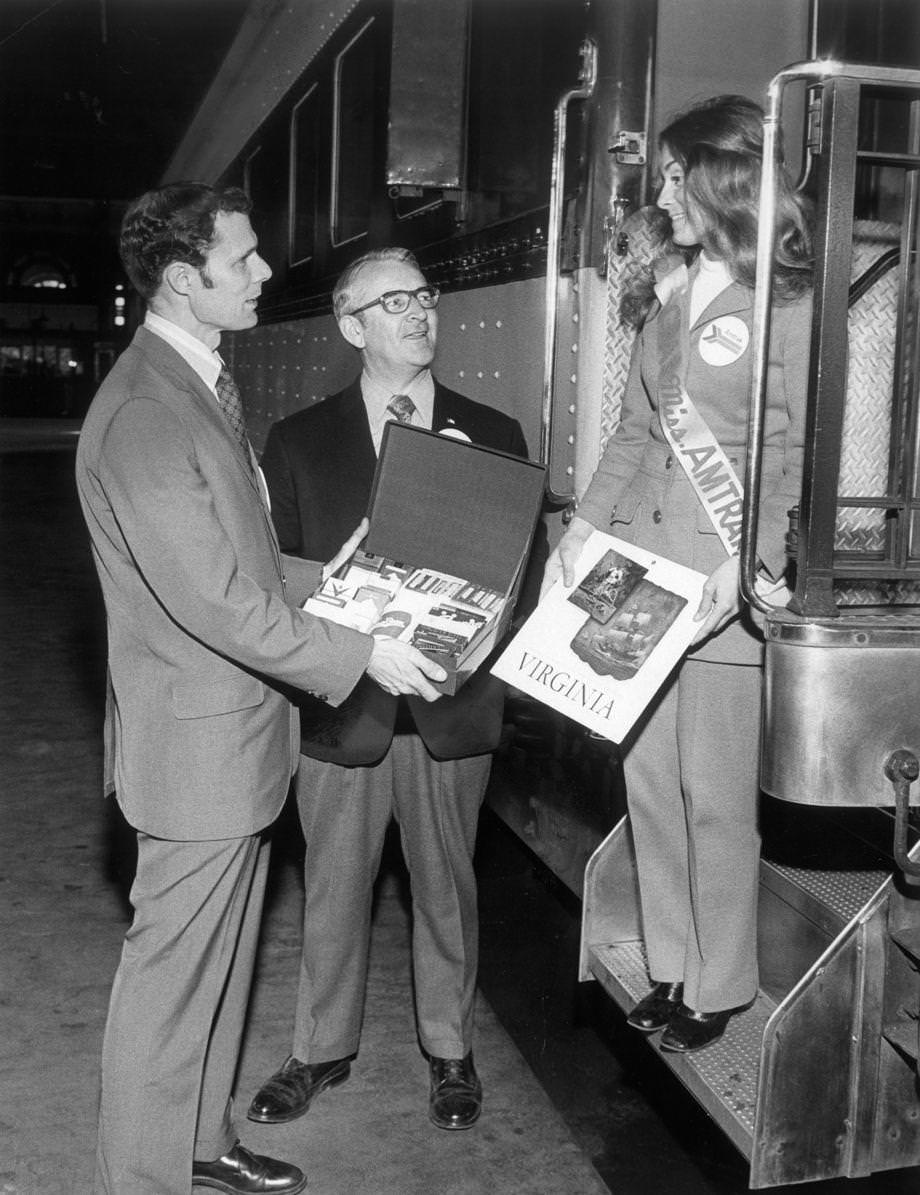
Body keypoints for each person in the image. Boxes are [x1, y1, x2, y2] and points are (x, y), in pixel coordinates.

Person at [75, 186, 445, 1195]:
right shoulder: (148, 414)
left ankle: (198, 1148)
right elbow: (217, 602)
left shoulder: (197, 382)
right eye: (240, 261)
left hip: (235, 746)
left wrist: (343, 586)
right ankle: (142, 1179)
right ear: (181, 278)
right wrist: (355, 652)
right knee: (167, 989)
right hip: (195, 752)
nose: (264, 274)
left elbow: (243, 557)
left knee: (222, 972)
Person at [543, 96, 812, 1053]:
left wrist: (746, 573)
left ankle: (722, 981)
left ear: (720, 178)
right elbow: (632, 433)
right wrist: (581, 531)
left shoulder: (789, 307)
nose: (659, 191)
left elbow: (789, 462)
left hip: (722, 593)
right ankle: (669, 964)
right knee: (649, 786)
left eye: (670, 173)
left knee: (714, 797)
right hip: (638, 576)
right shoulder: (667, 299)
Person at [249, 247, 540, 1132]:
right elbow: (279, 574)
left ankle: (450, 1052)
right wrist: (349, 638)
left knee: (447, 880)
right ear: (351, 325)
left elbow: (520, 573)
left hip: (450, 703)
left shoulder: (495, 433)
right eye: (394, 302)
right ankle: (319, 1047)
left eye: (425, 296)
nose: (419, 312)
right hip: (346, 703)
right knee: (333, 882)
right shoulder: (299, 439)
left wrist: (485, 637)